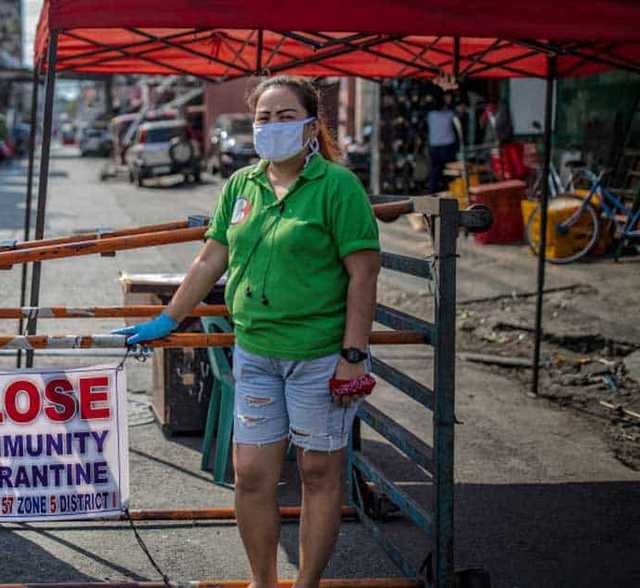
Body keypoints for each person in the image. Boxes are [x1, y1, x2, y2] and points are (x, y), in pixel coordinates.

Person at [114, 76, 380, 588]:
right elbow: (211, 258)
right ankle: (263, 582)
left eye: (286, 116)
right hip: (256, 354)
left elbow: (363, 274)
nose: (273, 126)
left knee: (318, 476)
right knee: (253, 475)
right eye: (264, 117)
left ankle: (306, 584)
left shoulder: (337, 187)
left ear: (309, 125)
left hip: (320, 356)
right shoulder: (241, 185)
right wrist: (168, 318)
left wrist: (353, 352)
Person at [426, 92, 459, 193]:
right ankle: (452, 189)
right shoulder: (450, 114)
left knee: (436, 169)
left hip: (434, 145)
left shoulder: (430, 115)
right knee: (451, 170)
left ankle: (433, 190)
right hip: (447, 145)